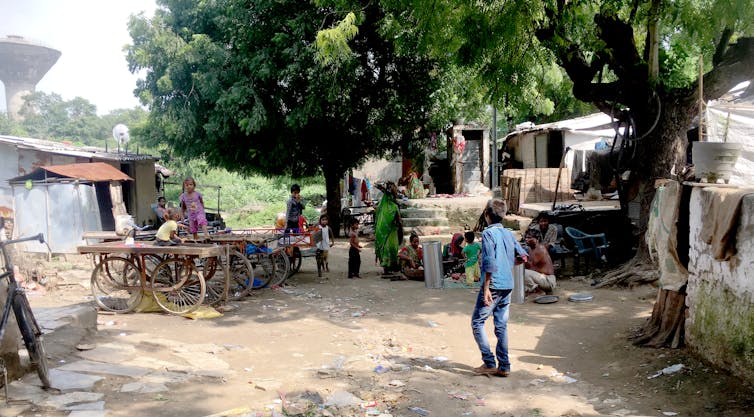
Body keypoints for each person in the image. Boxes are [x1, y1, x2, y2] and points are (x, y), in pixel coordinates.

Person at [471, 199, 528, 377]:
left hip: (494, 284)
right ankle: (504, 366)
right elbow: (523, 257)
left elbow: (488, 262)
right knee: (501, 326)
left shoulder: (488, 234)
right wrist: (508, 265)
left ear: (487, 215)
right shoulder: (509, 234)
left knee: (477, 322)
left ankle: (489, 362)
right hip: (507, 284)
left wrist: (486, 288)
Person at [374, 182, 402, 275]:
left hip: (384, 232)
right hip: (391, 232)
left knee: (388, 248)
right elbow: (399, 221)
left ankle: (388, 267)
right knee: (391, 248)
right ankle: (390, 266)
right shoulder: (394, 207)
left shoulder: (382, 207)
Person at [523, 229, 557, 296]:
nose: (526, 239)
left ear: (537, 239)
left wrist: (522, 258)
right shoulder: (531, 248)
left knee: (523, 272)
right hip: (542, 278)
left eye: (529, 238)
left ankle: (538, 291)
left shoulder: (540, 249)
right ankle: (539, 290)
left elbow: (530, 267)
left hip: (548, 280)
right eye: (526, 237)